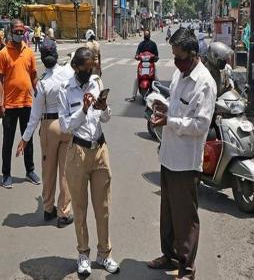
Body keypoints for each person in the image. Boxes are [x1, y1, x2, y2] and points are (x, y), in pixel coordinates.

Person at [147, 28, 217, 280]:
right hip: (168, 156)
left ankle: (187, 269)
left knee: (185, 217)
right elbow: (177, 108)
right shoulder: (179, 75)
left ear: (193, 54)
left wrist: (170, 121)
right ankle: (169, 255)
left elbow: (200, 125)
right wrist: (164, 108)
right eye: (174, 56)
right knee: (168, 213)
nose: (176, 61)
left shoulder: (204, 83)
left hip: (185, 162)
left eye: (180, 57)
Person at [58, 47, 119, 276]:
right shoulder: (66, 90)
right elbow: (65, 126)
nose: (89, 71)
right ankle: (83, 254)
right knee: (80, 208)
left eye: (92, 67)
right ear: (75, 68)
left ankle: (105, 254)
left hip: (100, 149)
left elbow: (106, 117)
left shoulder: (96, 82)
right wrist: (83, 110)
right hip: (78, 152)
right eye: (85, 68)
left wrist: (103, 109)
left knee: (103, 207)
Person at [16, 39, 74, 228]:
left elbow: (34, 116)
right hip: (68, 124)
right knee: (66, 172)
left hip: (50, 126)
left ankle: (49, 208)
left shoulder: (43, 84)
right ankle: (64, 213)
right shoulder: (68, 73)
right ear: (56, 55)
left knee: (48, 171)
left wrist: (25, 139)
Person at [0, 19, 40, 188]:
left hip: (27, 103)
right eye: (16, 31)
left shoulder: (29, 52)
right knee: (8, 140)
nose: (19, 34)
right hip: (9, 105)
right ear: (10, 31)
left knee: (27, 138)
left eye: (22, 31)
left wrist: (40, 95)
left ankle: (30, 171)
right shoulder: (3, 54)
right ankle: (6, 174)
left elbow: (34, 76)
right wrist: (0, 104)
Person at [127, 30, 159, 102]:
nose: (146, 36)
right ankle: (133, 96)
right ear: (144, 36)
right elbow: (137, 53)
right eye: (145, 34)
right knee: (137, 79)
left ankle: (159, 94)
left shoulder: (153, 44)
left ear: (150, 35)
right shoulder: (141, 44)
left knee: (156, 79)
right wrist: (136, 56)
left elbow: (156, 54)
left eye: (147, 34)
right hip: (142, 65)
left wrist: (156, 58)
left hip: (150, 64)